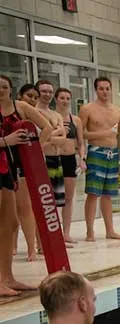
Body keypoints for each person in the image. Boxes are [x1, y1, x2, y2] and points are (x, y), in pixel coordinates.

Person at [0, 76, 53, 295]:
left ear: (11, 90)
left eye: (4, 86)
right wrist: (6, 141)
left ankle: (7, 277)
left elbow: (46, 127)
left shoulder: (19, 107)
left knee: (11, 223)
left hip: (8, 169)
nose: (1, 90)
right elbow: (9, 140)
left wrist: (33, 149)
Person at [79, 76, 120, 241]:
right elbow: (81, 134)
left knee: (108, 194)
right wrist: (104, 133)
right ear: (96, 90)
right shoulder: (87, 109)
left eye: (107, 88)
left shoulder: (118, 111)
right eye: (101, 88)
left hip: (113, 154)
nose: (105, 92)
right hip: (95, 152)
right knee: (93, 193)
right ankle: (90, 231)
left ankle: (110, 230)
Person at [35, 80, 70, 245]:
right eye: (44, 91)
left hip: (57, 160)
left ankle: (52, 241)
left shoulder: (56, 115)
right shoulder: (34, 112)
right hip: (43, 160)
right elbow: (39, 139)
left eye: (49, 91)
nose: (47, 94)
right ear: (38, 92)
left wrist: (51, 134)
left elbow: (63, 139)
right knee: (43, 204)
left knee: (55, 204)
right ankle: (40, 243)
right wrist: (55, 134)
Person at [54, 87, 85, 243]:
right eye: (62, 98)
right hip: (55, 159)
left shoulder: (76, 120)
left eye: (67, 98)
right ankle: (54, 233)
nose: (65, 101)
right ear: (56, 99)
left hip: (69, 159)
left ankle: (66, 233)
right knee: (52, 198)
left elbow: (80, 142)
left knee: (68, 198)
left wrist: (82, 158)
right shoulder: (51, 117)